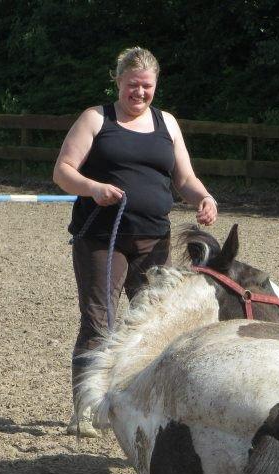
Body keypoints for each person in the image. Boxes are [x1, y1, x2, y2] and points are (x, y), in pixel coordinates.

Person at [53, 46, 218, 437]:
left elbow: (184, 179)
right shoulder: (96, 119)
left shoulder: (168, 124)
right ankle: (87, 407)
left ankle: (149, 405)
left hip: (154, 238)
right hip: (101, 238)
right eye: (132, 85)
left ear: (155, 85)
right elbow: (62, 171)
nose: (139, 93)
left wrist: (204, 198)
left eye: (146, 86)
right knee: (99, 320)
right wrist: (93, 188)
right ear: (118, 81)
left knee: (156, 325)